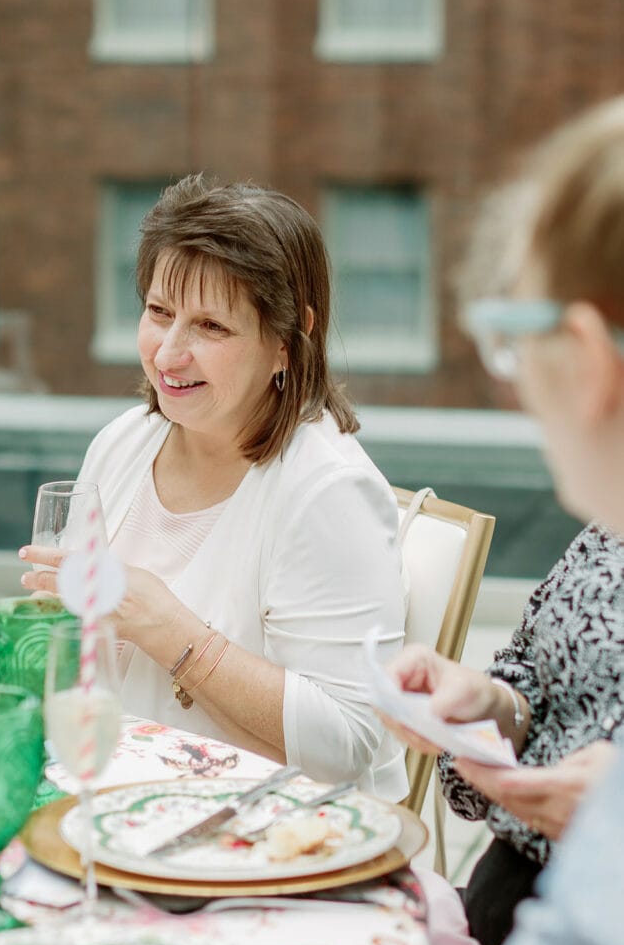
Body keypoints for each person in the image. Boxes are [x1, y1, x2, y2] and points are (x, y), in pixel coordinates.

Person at [21, 173, 407, 798]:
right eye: (159, 312)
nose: (169, 354)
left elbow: (349, 743)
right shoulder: (122, 443)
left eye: (211, 327)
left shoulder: (327, 492)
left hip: (276, 841)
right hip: (125, 807)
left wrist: (170, 631)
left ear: (286, 341)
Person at [382, 96, 624, 945]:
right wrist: (491, 706)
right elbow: (528, 674)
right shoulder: (604, 534)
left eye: (512, 342)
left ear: (589, 358)